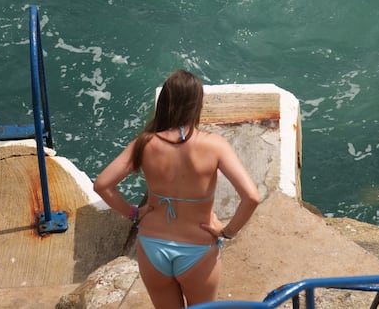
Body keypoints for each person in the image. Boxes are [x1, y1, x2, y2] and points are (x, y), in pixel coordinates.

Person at [94, 70, 261, 309]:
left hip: (152, 247)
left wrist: (133, 213)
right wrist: (227, 231)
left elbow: (102, 185)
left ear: (164, 104)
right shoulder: (214, 145)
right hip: (198, 249)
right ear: (198, 104)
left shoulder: (145, 143)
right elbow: (251, 197)